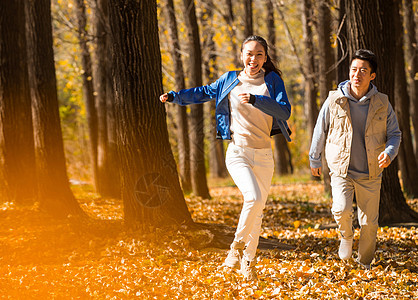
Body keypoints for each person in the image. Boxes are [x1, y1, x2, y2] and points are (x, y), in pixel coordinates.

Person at [160, 35, 291, 281]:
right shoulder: (230, 80)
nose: (253, 59)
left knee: (258, 210)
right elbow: (203, 93)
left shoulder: (272, 80)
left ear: (265, 57)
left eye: (259, 54)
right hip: (238, 151)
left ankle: (248, 265)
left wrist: (256, 99)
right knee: (252, 198)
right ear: (242, 55)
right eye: (249, 53)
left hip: (264, 154)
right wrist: (175, 97)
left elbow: (284, 110)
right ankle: (235, 249)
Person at [309, 49, 401, 269]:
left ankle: (365, 262)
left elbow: (395, 134)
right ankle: (346, 237)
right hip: (342, 169)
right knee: (340, 209)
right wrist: (315, 158)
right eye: (353, 69)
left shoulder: (382, 102)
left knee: (369, 223)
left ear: (372, 76)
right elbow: (320, 129)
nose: (356, 74)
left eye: (363, 70)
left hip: (370, 172)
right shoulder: (335, 99)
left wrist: (389, 153)